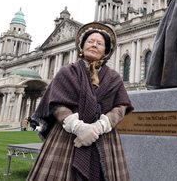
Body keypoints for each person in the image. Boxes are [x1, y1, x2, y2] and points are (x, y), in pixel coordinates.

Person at [27, 22, 133, 181]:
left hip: (104, 137)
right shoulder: (67, 71)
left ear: (106, 51)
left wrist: (99, 126)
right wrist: (77, 127)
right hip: (68, 136)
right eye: (90, 41)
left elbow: (121, 106)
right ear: (82, 47)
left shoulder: (114, 77)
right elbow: (57, 102)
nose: (94, 45)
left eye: (99, 43)